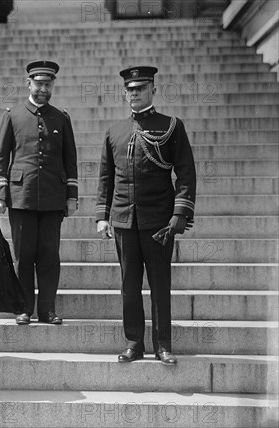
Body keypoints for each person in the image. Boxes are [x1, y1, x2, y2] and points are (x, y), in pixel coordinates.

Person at [95, 66, 196, 365]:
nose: (135, 93)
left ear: (153, 89)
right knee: (129, 286)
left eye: (141, 88)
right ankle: (133, 343)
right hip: (124, 220)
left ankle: (163, 345)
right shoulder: (114, 131)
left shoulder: (171, 126)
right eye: (130, 89)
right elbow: (105, 178)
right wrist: (103, 215)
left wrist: (180, 213)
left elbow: (186, 173)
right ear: (124, 93)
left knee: (160, 285)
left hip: (158, 222)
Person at [0, 60, 79, 325]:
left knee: (49, 257)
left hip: (53, 196)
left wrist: (72, 195)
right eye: (38, 83)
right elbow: (0, 156)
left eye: (48, 84)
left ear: (53, 85)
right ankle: (24, 308)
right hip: (22, 195)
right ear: (28, 83)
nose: (43, 88)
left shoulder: (61, 117)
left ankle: (48, 309)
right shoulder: (13, 115)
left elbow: (70, 158)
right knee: (24, 256)